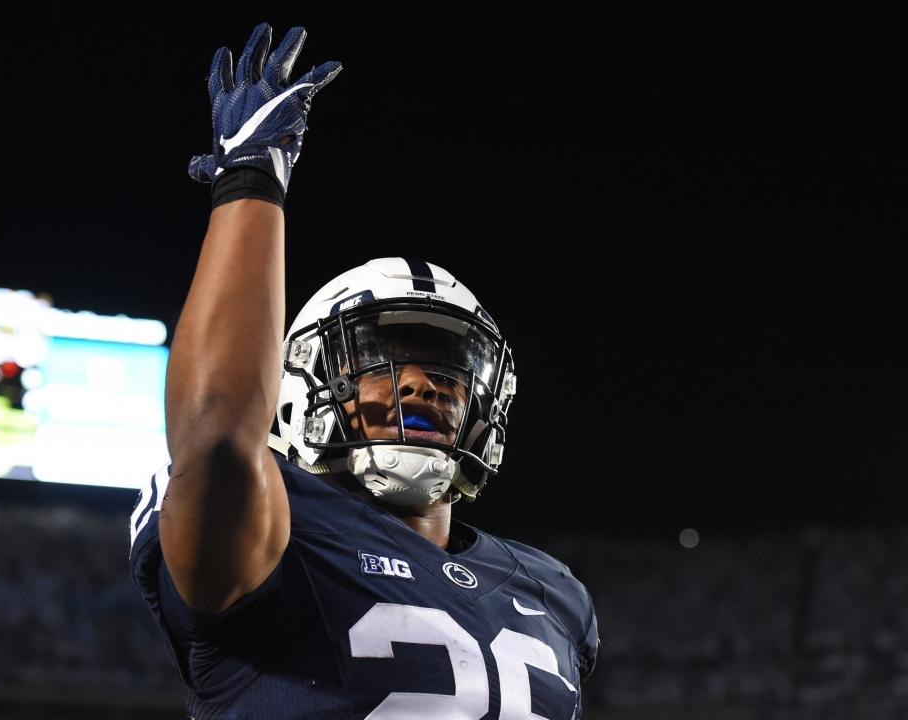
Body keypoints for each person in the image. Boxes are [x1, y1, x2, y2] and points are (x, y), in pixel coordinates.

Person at [129, 21, 598, 719]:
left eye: (453, 371)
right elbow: (217, 439)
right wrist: (251, 178)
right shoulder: (279, 526)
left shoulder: (555, 592)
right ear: (302, 387)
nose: (424, 384)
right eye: (380, 361)